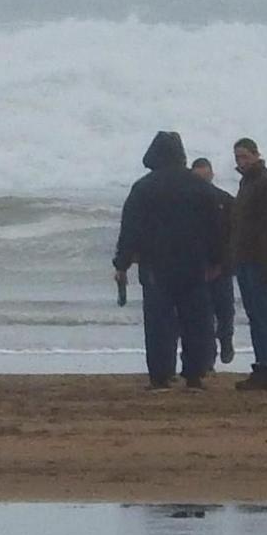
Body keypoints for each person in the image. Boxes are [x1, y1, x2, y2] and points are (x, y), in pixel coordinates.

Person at [111, 131, 225, 389]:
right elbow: (215, 227)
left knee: (159, 322)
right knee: (196, 320)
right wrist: (217, 260)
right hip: (194, 262)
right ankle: (195, 374)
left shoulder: (143, 187)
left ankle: (161, 376)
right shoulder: (200, 187)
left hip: (156, 264)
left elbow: (130, 229)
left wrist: (122, 263)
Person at [226, 138, 267, 388]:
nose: (241, 162)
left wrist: (266, 261)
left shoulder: (266, 183)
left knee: (263, 313)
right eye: (237, 157)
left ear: (255, 155)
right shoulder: (248, 182)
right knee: (254, 313)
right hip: (243, 257)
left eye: (244, 157)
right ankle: (262, 364)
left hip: (258, 259)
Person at [190, 156, 239, 369]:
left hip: (223, 266)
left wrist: (221, 263)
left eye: (205, 176)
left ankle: (226, 340)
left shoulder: (225, 200)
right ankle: (208, 358)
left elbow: (234, 235)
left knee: (225, 310)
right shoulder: (186, 202)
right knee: (202, 315)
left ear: (212, 175)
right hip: (196, 267)